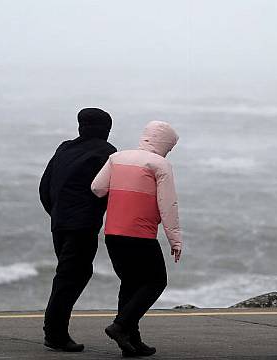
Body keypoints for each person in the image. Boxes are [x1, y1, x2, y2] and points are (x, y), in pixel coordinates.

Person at [91, 121, 182, 357]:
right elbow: (168, 205)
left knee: (130, 284)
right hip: (140, 234)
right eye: (170, 147)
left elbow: (97, 188)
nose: (168, 152)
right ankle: (120, 327)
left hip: (113, 233)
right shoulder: (160, 164)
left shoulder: (117, 158)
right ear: (164, 143)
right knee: (155, 281)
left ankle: (131, 342)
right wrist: (175, 240)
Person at [39, 108, 117, 352]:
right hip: (82, 226)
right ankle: (55, 333)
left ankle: (55, 330)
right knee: (71, 277)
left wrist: (58, 213)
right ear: (106, 130)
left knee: (68, 275)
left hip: (59, 223)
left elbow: (45, 187)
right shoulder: (108, 153)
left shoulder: (64, 148)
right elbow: (109, 192)